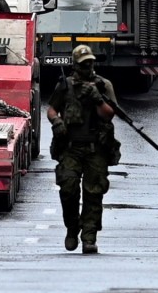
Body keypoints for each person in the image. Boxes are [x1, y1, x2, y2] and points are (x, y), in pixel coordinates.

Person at [47, 44, 120, 255]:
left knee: (94, 193)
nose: (87, 67)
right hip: (70, 147)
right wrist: (57, 121)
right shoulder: (65, 85)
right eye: (83, 64)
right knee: (68, 188)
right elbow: (52, 108)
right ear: (75, 65)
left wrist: (96, 97)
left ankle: (89, 237)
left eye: (90, 63)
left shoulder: (103, 85)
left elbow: (109, 114)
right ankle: (72, 227)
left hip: (95, 148)